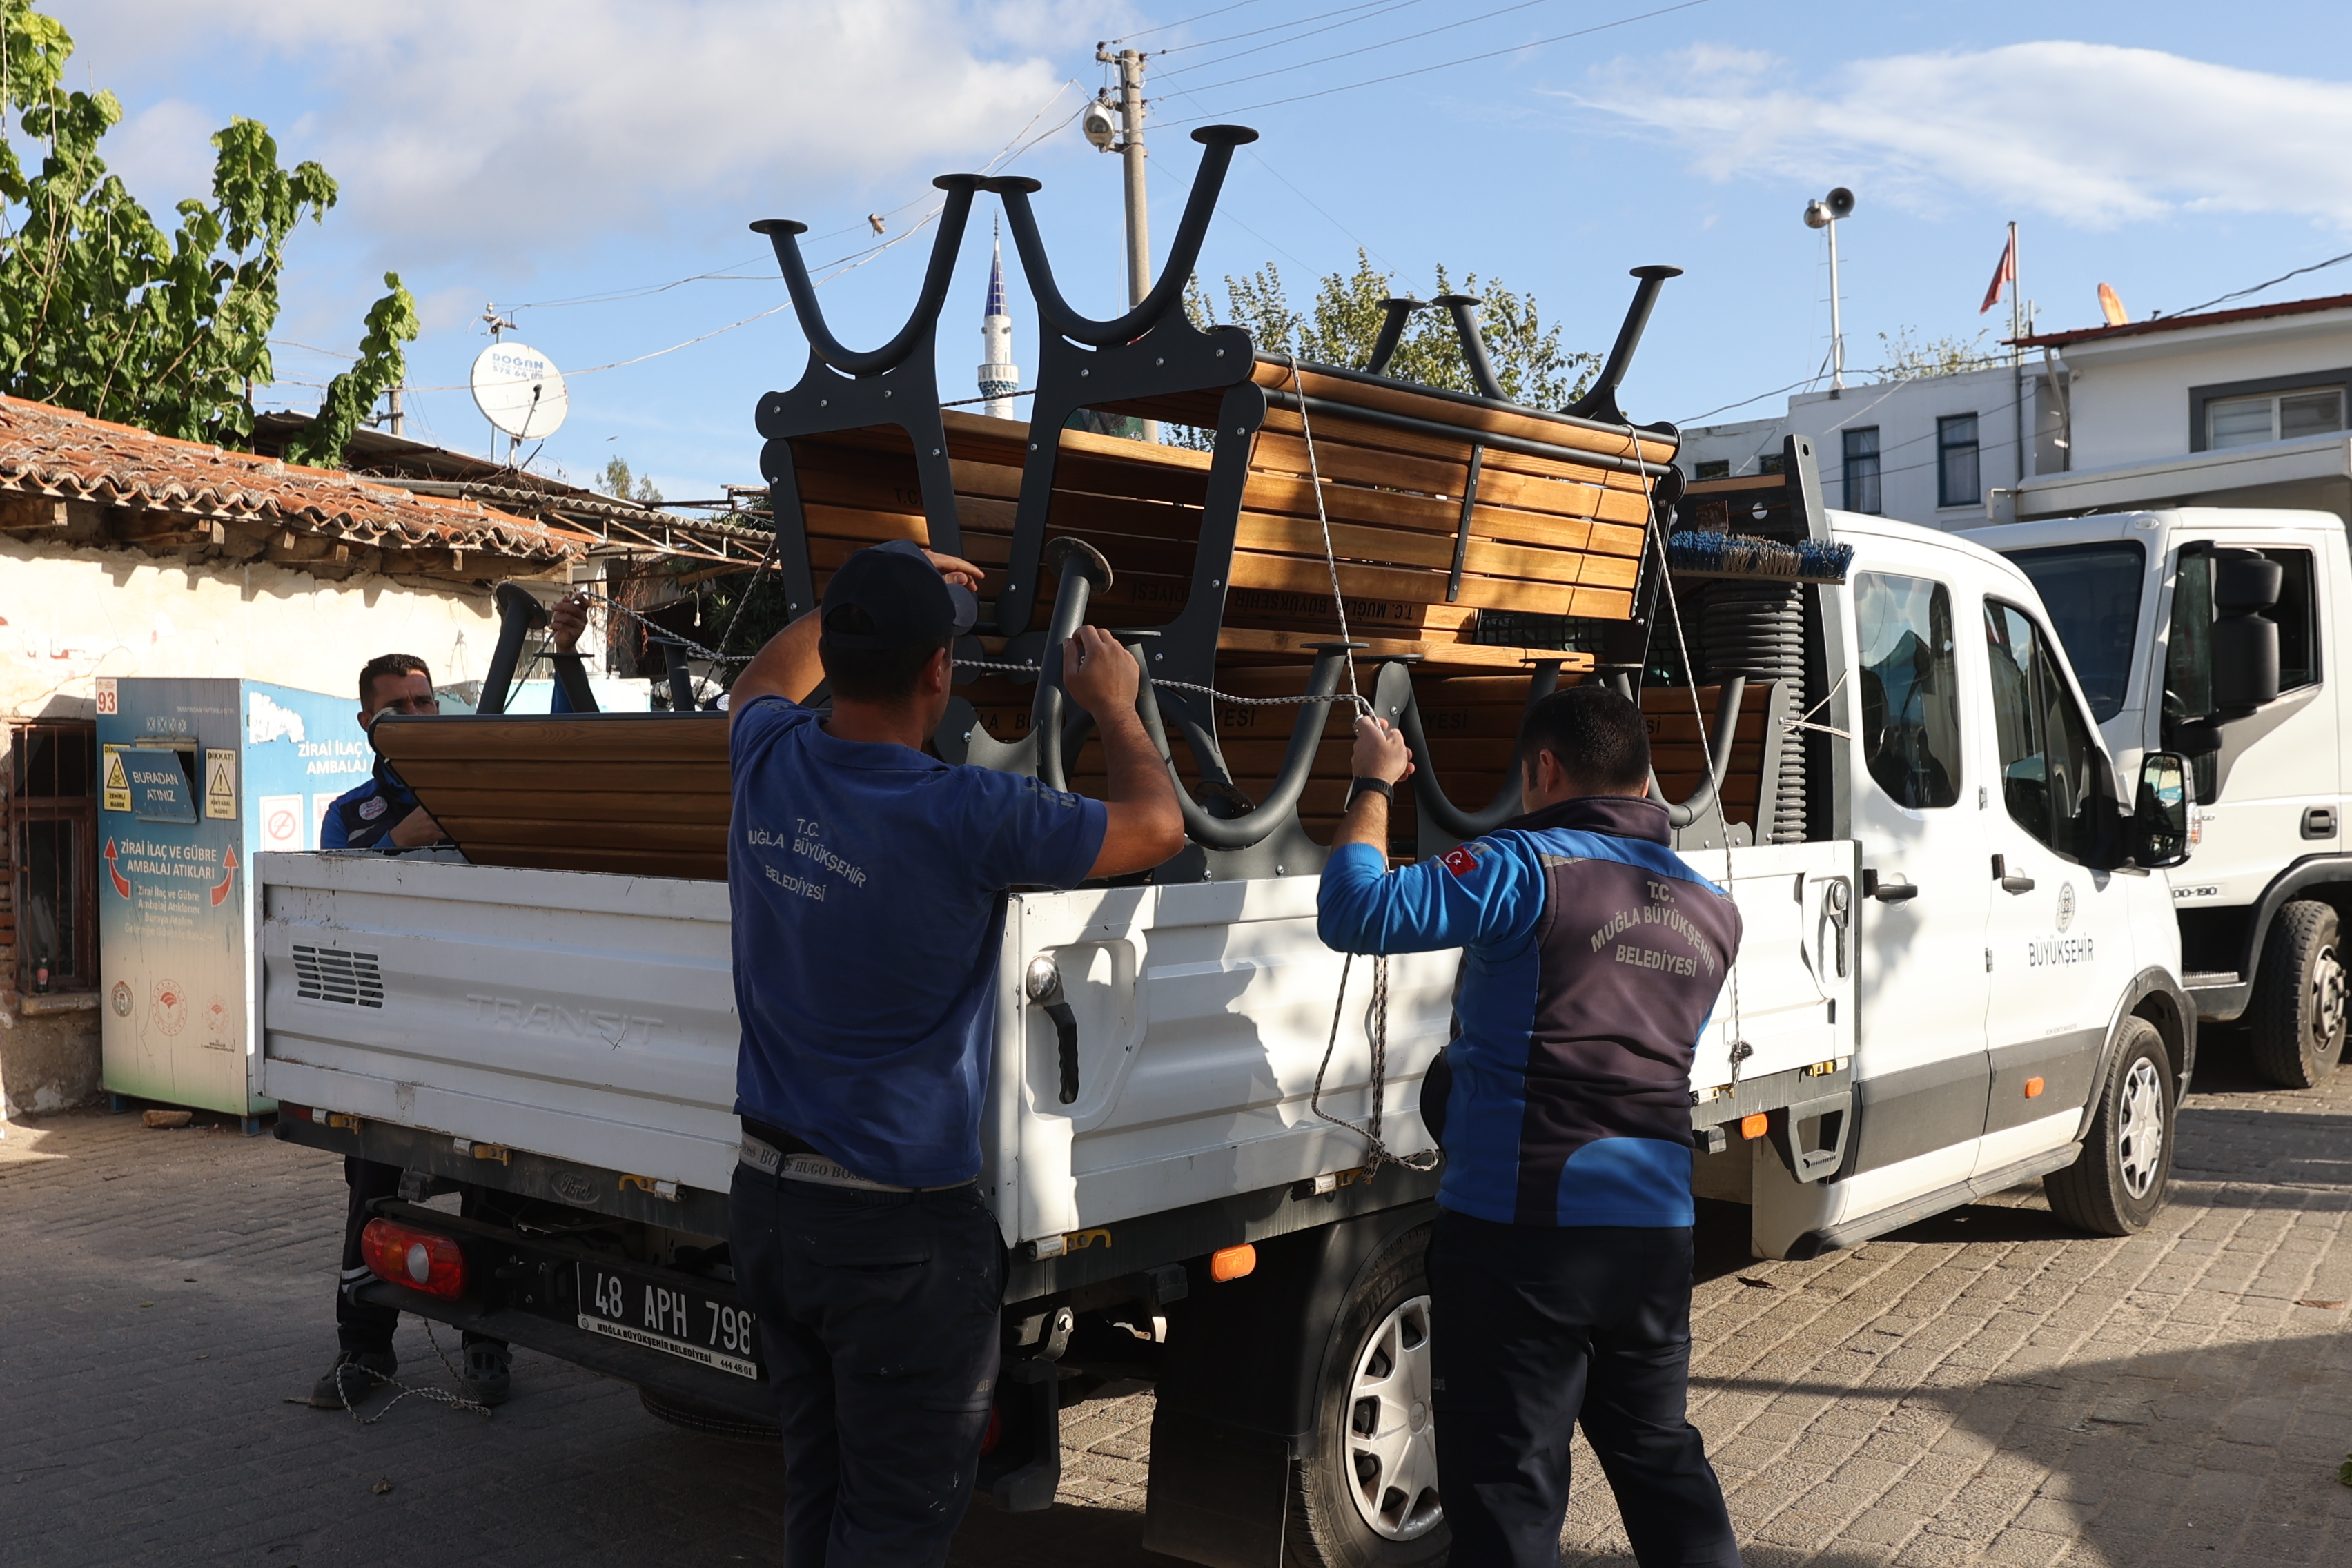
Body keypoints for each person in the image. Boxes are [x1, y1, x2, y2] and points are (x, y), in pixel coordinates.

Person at [723, 538, 1184, 1566]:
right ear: (942, 671)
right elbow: (1156, 827)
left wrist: (875, 574)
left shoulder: (766, 760)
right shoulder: (966, 814)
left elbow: (761, 679)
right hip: (895, 1241)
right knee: (890, 1531)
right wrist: (1117, 701)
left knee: (822, 1494)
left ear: (836, 660)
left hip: (771, 1206)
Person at [1317, 684, 1745, 1568]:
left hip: (1522, 1239)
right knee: (1662, 1461)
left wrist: (1375, 783)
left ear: (1545, 768)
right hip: (1656, 1233)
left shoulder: (1525, 869)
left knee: (1510, 1493)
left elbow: (1354, 911)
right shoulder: (1714, 912)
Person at [306, 649, 514, 1409]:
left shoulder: (481, 799)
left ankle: (487, 1346)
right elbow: (323, 904)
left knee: (492, 1190)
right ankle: (362, 1353)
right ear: (368, 724)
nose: (417, 717)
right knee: (372, 1193)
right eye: (399, 707)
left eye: (427, 703)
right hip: (384, 1044)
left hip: (476, 1036)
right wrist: (401, 841)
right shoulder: (349, 813)